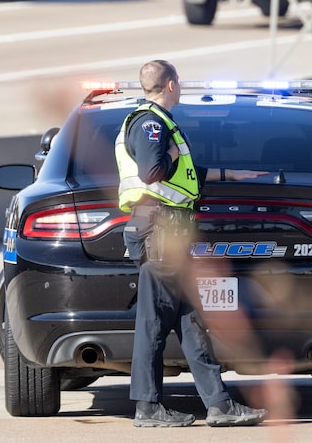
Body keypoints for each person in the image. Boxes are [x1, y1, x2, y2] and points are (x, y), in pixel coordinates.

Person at [115, 59, 270, 428]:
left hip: (169, 232)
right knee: (154, 323)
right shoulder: (151, 123)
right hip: (159, 231)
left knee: (191, 321)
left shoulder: (156, 121)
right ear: (171, 85)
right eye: (178, 83)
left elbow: (184, 173)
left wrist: (227, 173)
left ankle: (219, 404)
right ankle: (147, 407)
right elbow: (153, 172)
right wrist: (169, 152)